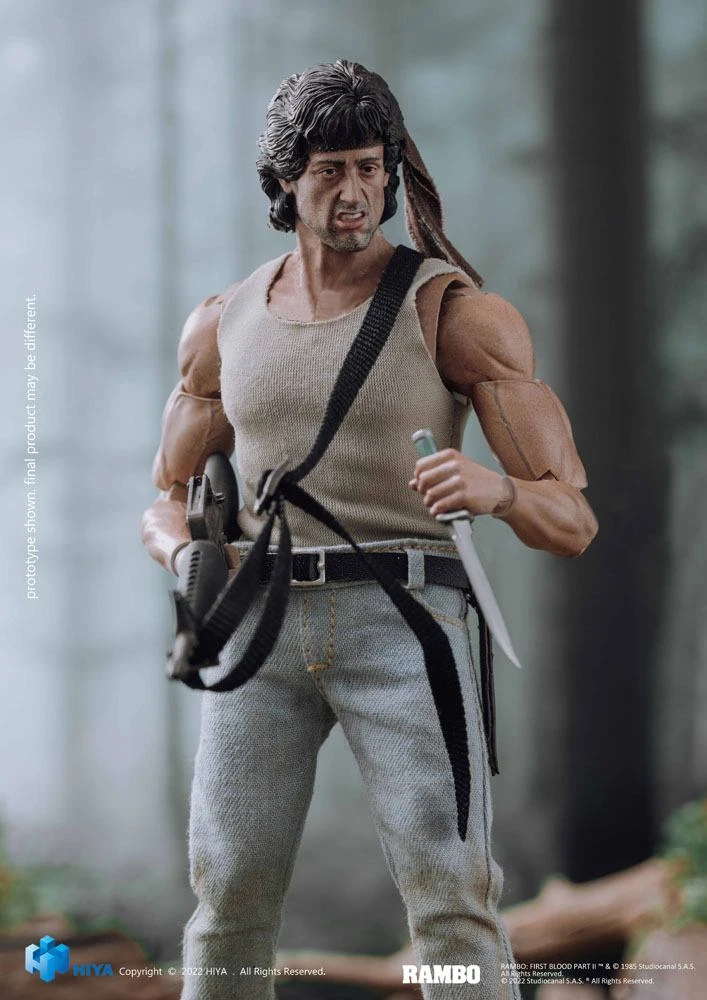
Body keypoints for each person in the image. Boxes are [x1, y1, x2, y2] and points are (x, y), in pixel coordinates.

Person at [141, 60, 597, 1000]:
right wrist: (186, 554)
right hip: (260, 626)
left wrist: (495, 491)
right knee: (227, 891)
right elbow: (165, 496)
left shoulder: (454, 313)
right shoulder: (222, 324)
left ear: (390, 171)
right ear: (283, 181)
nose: (353, 193)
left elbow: (571, 518)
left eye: (368, 168)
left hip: (407, 621)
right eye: (328, 171)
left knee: (450, 891)